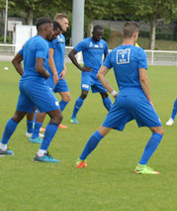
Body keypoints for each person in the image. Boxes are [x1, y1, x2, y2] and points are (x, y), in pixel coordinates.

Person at [74, 22, 163, 174]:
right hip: (137, 98)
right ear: (136, 35)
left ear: (123, 34)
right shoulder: (139, 52)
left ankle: (81, 160)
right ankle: (141, 166)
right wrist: (150, 100)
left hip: (121, 98)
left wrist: (113, 93)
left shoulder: (113, 53)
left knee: (102, 130)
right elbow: (143, 79)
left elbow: (100, 74)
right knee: (158, 131)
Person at [0, 18, 63, 162]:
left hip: (26, 83)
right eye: (52, 30)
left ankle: (2, 147)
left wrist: (26, 77)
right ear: (46, 28)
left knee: (17, 116)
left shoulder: (30, 42)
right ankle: (41, 154)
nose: (53, 33)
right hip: (36, 83)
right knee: (57, 116)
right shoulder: (42, 43)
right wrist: (48, 75)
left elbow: (15, 61)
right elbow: (39, 67)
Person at [29, 14, 71, 142]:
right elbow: (51, 57)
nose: (67, 26)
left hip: (59, 74)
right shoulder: (52, 37)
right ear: (58, 23)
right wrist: (54, 73)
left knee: (66, 97)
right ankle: (35, 133)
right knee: (44, 104)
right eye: (65, 23)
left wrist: (64, 68)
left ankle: (54, 121)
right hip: (52, 75)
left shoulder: (62, 37)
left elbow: (61, 55)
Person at [68, 25, 111, 124]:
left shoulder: (103, 44)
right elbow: (71, 54)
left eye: (101, 35)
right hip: (88, 74)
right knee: (84, 93)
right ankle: (73, 117)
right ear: (92, 33)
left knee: (104, 94)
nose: (99, 37)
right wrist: (81, 67)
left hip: (98, 75)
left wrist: (103, 68)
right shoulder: (85, 42)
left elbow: (107, 55)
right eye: (97, 35)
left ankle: (112, 117)